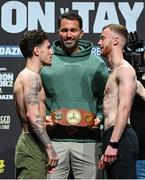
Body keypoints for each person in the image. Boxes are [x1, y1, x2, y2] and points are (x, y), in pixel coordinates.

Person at [40, 11, 108, 179]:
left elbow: (106, 99)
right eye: (64, 30)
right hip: (54, 141)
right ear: (58, 32)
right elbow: (36, 99)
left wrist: (100, 117)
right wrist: (44, 118)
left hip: (88, 141)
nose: (69, 35)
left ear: (81, 33)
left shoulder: (97, 63)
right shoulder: (47, 61)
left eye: (73, 30)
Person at [13, 29, 59, 179]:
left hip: (33, 142)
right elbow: (32, 116)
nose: (51, 52)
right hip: (31, 143)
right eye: (48, 47)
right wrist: (49, 147)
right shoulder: (31, 77)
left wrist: (44, 120)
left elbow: (34, 115)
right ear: (37, 51)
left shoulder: (30, 76)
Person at [97, 24, 139, 178]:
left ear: (115, 40)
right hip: (114, 136)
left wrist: (114, 144)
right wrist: (109, 144)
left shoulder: (125, 70)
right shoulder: (115, 72)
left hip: (121, 138)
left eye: (102, 38)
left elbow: (124, 107)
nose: (99, 43)